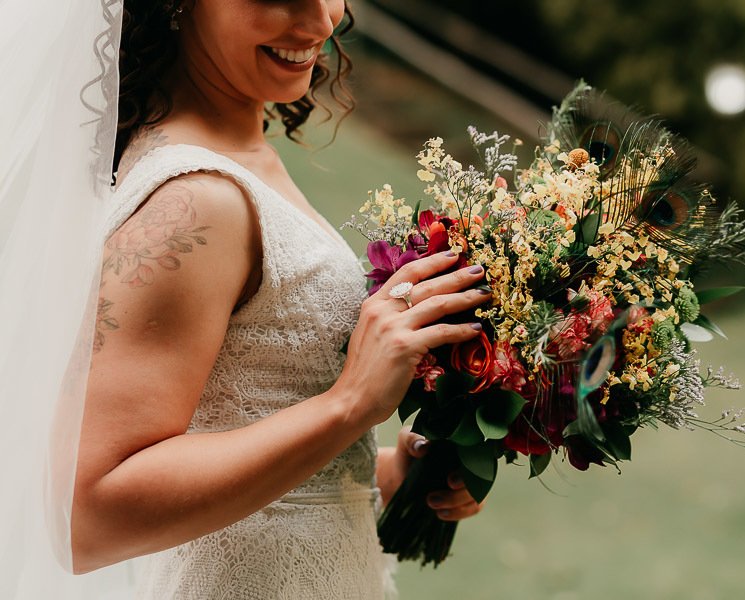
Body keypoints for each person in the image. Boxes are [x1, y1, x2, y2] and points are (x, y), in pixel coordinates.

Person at [1, 1, 491, 598]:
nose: (319, 22)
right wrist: (349, 404)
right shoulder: (197, 200)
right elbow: (87, 518)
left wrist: (391, 471)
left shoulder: (235, 153)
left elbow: (246, 416)